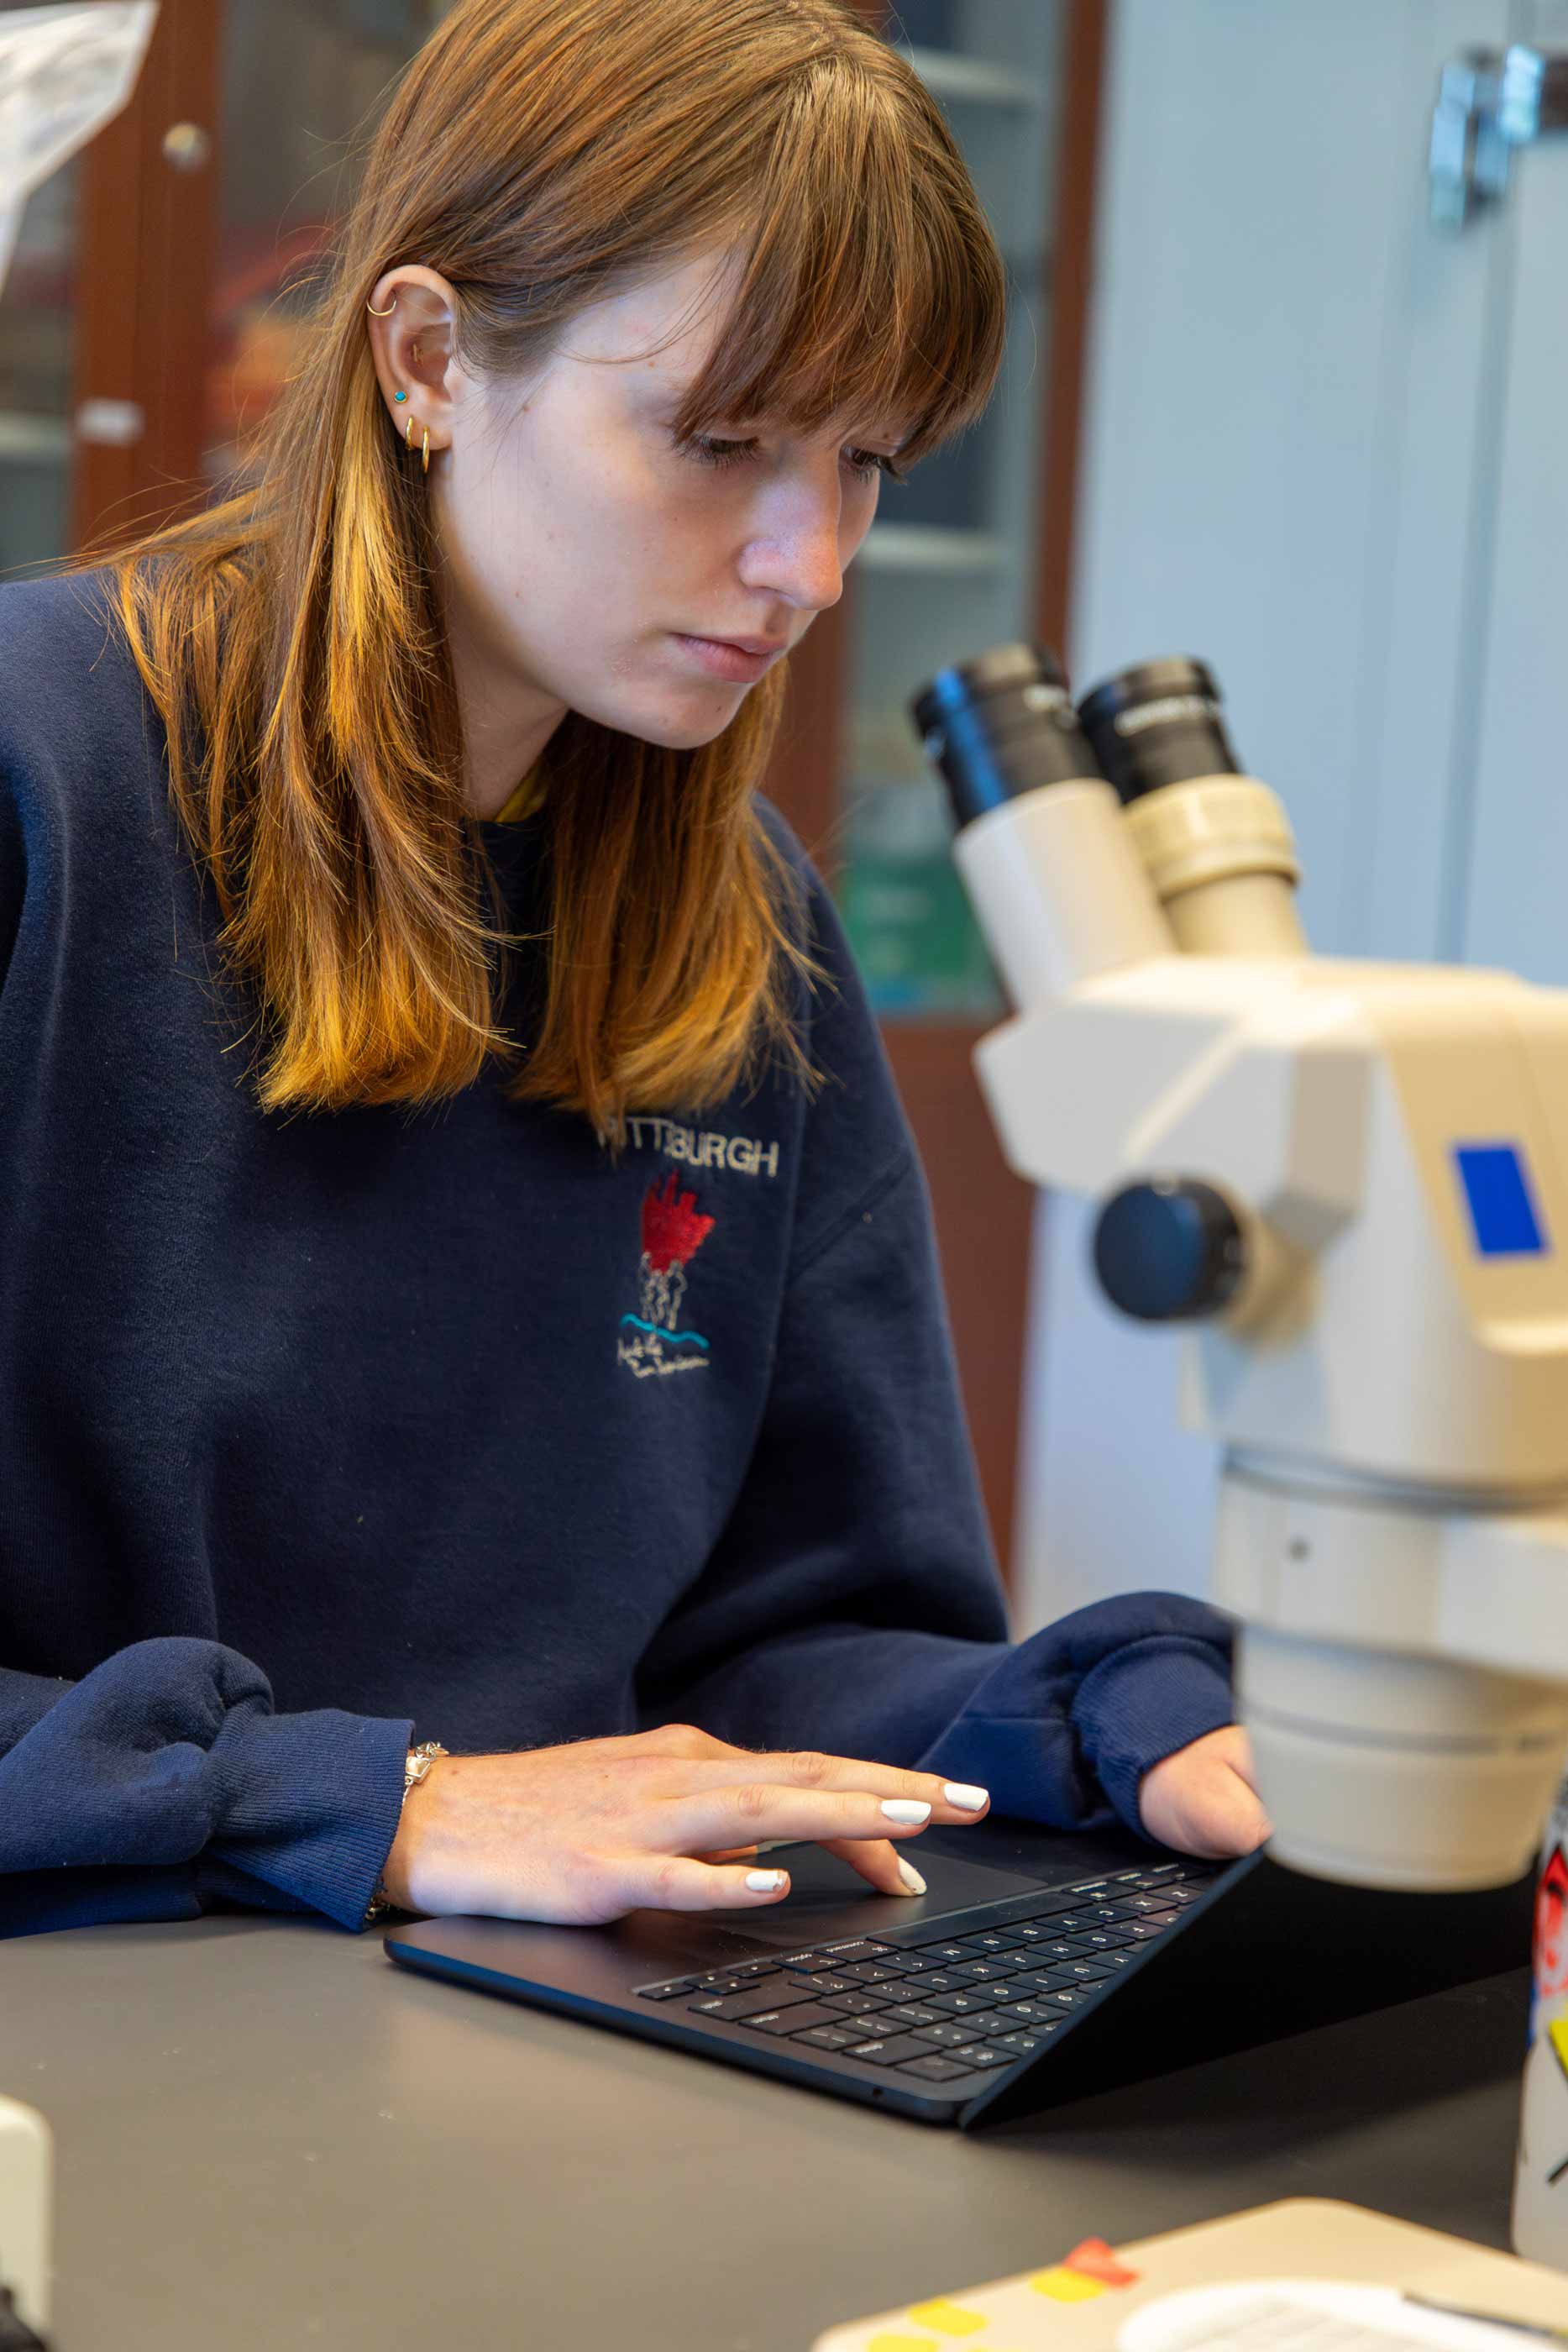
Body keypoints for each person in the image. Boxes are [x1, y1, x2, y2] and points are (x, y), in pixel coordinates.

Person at [0, 0, 1267, 1945]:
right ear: (429, 360)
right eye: (720, 441)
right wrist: (394, 1804)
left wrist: (1094, 1720)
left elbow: (791, 1635)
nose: (808, 561)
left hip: (530, 2003)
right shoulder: (43, 780)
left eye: (866, 461)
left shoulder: (735, 916)